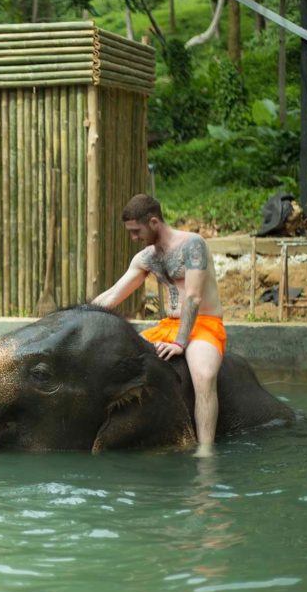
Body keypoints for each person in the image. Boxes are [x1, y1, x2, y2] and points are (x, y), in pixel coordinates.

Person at [92, 194, 225, 457]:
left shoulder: (193, 245)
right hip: (167, 325)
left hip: (203, 324)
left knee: (204, 375)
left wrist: (180, 343)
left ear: (153, 222)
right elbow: (112, 295)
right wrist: (79, 314)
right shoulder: (146, 258)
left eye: (136, 231)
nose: (133, 238)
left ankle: (206, 451)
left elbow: (194, 296)